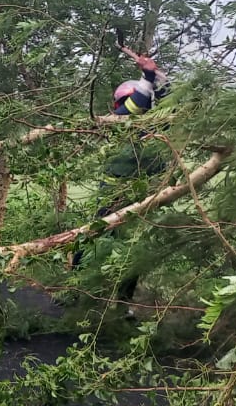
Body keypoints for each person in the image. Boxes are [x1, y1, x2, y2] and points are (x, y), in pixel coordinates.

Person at [72, 52, 170, 316]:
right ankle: (73, 289)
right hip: (114, 193)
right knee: (94, 236)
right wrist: (147, 75)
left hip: (146, 192)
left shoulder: (154, 122)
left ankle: (124, 303)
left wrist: (156, 73)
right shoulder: (120, 117)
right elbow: (136, 104)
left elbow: (170, 98)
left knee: (133, 249)